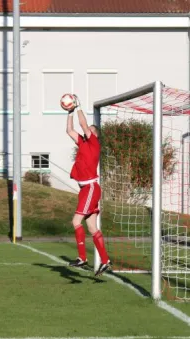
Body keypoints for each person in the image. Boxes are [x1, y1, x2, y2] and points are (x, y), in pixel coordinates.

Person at [66, 95, 112, 276]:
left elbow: (84, 126)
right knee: (92, 228)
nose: (87, 130)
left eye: (91, 130)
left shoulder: (93, 142)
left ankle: (82, 257)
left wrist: (78, 107)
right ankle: (106, 261)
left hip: (91, 188)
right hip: (86, 189)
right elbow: (70, 130)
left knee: (76, 221)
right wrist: (69, 112)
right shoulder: (83, 143)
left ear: (94, 135)